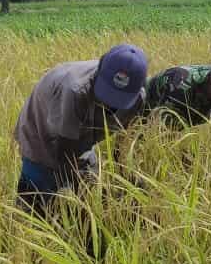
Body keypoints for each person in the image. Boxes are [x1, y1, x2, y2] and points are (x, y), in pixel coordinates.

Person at [14, 43, 148, 218]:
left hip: (82, 136)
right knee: (37, 197)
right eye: (108, 95)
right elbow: (65, 152)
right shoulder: (75, 90)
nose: (111, 104)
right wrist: (75, 199)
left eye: (119, 100)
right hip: (42, 130)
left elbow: (125, 144)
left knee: (91, 190)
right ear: (99, 71)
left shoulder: (138, 99)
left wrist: (122, 181)